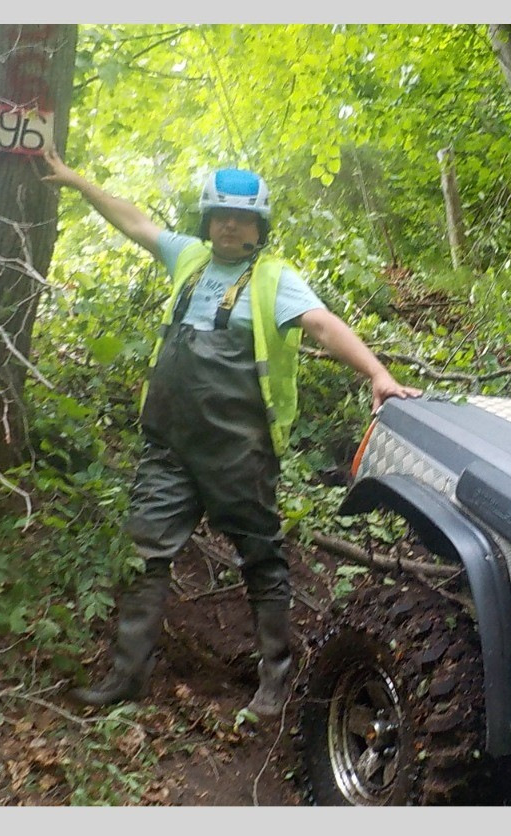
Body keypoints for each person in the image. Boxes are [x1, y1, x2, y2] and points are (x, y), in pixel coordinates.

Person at [41, 145, 422, 718]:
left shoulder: (274, 280)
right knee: (145, 553)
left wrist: (378, 373)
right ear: (207, 219)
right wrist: (77, 181)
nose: (229, 226)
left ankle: (275, 682)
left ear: (259, 227)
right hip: (169, 446)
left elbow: (323, 326)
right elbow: (134, 221)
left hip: (238, 452)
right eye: (220, 215)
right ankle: (126, 677)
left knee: (260, 558)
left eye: (242, 219)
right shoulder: (188, 258)